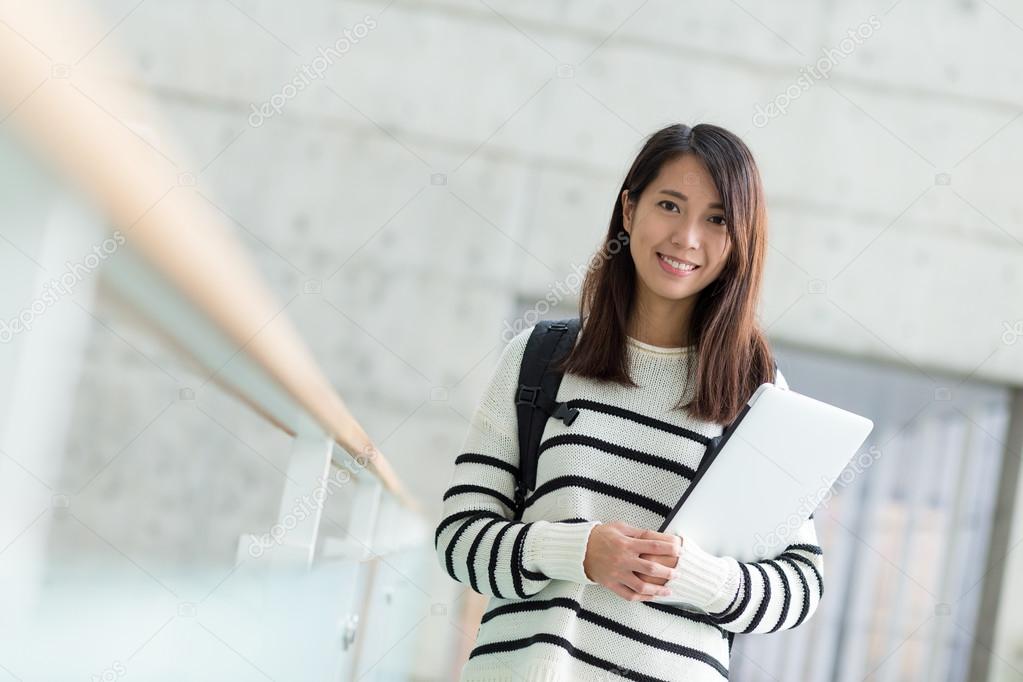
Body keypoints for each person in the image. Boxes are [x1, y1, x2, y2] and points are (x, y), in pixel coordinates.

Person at [435, 123, 824, 681]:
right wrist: (578, 551)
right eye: (670, 205)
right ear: (628, 211)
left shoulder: (755, 393)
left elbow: (800, 586)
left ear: (741, 239)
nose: (687, 237)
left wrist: (694, 576)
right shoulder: (540, 358)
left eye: (717, 219)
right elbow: (458, 538)